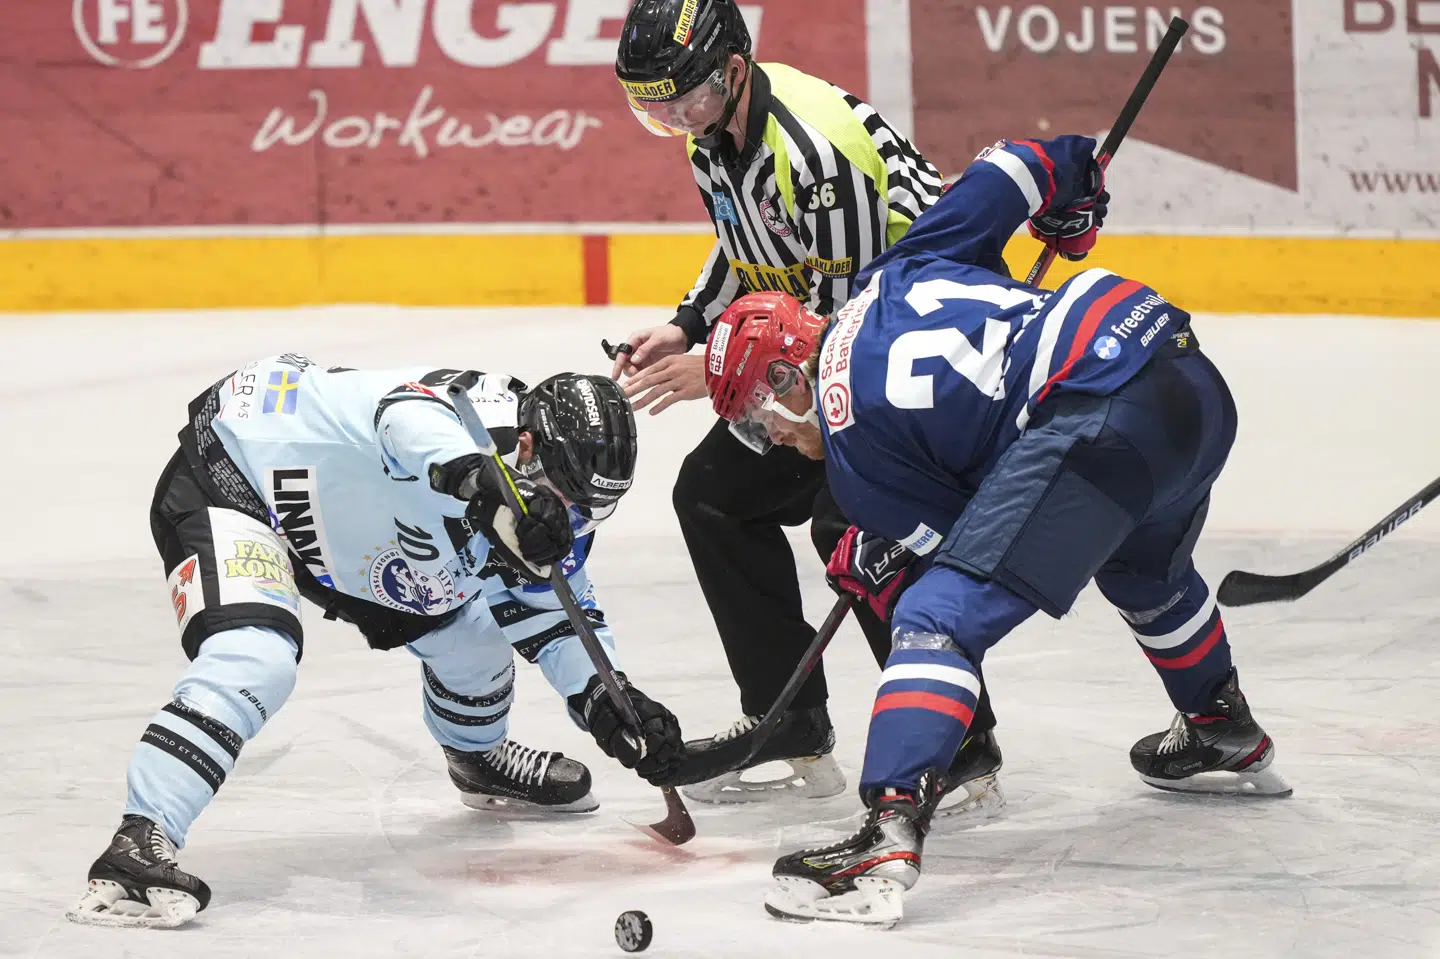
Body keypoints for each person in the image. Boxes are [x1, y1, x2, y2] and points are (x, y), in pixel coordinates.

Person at [703, 135, 1291, 926]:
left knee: (936, 621)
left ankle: (885, 834)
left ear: (782, 371)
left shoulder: (850, 455)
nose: (766, 437)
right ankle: (1222, 724)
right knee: (1143, 569)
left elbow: (977, 537)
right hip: (1176, 364)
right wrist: (1073, 196)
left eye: (753, 416)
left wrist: (882, 553)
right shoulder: (892, 273)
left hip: (1095, 414)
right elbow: (1017, 165)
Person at [67, 357, 683, 929]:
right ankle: (137, 842)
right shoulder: (462, 418)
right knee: (257, 656)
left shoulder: (555, 509)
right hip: (239, 479)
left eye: (594, 510)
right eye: (567, 498)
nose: (574, 522)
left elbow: (555, 620)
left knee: (474, 639)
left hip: (358, 537)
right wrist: (479, 481)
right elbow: (404, 417)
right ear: (524, 447)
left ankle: (477, 759)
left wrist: (613, 704)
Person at [608, 0, 1001, 811]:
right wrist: (687, 323)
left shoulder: (816, 152)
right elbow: (748, 244)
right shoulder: (713, 128)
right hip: (840, 338)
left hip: (915, 349)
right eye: (654, 106)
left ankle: (960, 744)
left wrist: (713, 366)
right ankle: (789, 724)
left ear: (736, 72)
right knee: (712, 497)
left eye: (681, 100)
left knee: (853, 525)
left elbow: (842, 329)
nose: (672, 119)